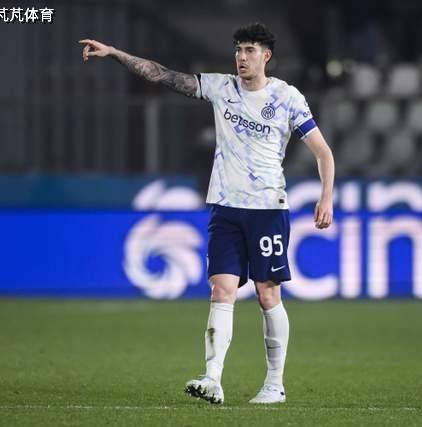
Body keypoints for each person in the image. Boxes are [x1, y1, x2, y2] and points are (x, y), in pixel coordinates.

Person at [79, 22, 334, 405]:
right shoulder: (220, 87)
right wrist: (116, 53)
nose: (241, 57)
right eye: (238, 50)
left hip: (267, 209)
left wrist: (326, 198)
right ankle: (213, 378)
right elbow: (162, 74)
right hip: (225, 208)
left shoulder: (287, 97)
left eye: (249, 50)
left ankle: (274, 384)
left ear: (266, 56)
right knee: (221, 290)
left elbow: (323, 152)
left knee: (268, 295)